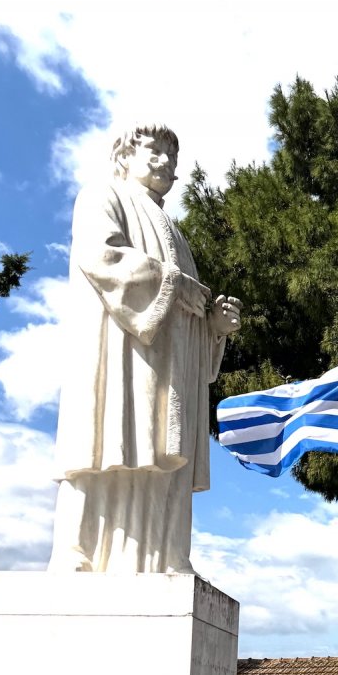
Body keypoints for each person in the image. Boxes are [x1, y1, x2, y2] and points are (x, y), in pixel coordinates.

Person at [50, 123, 241, 574]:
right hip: (118, 354)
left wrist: (212, 327)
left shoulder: (177, 235)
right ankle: (76, 552)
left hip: (166, 369)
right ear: (125, 155)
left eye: (172, 156)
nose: (166, 162)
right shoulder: (101, 197)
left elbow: (187, 306)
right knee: (102, 445)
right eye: (155, 151)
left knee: (159, 452)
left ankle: (166, 555)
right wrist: (174, 287)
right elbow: (101, 257)